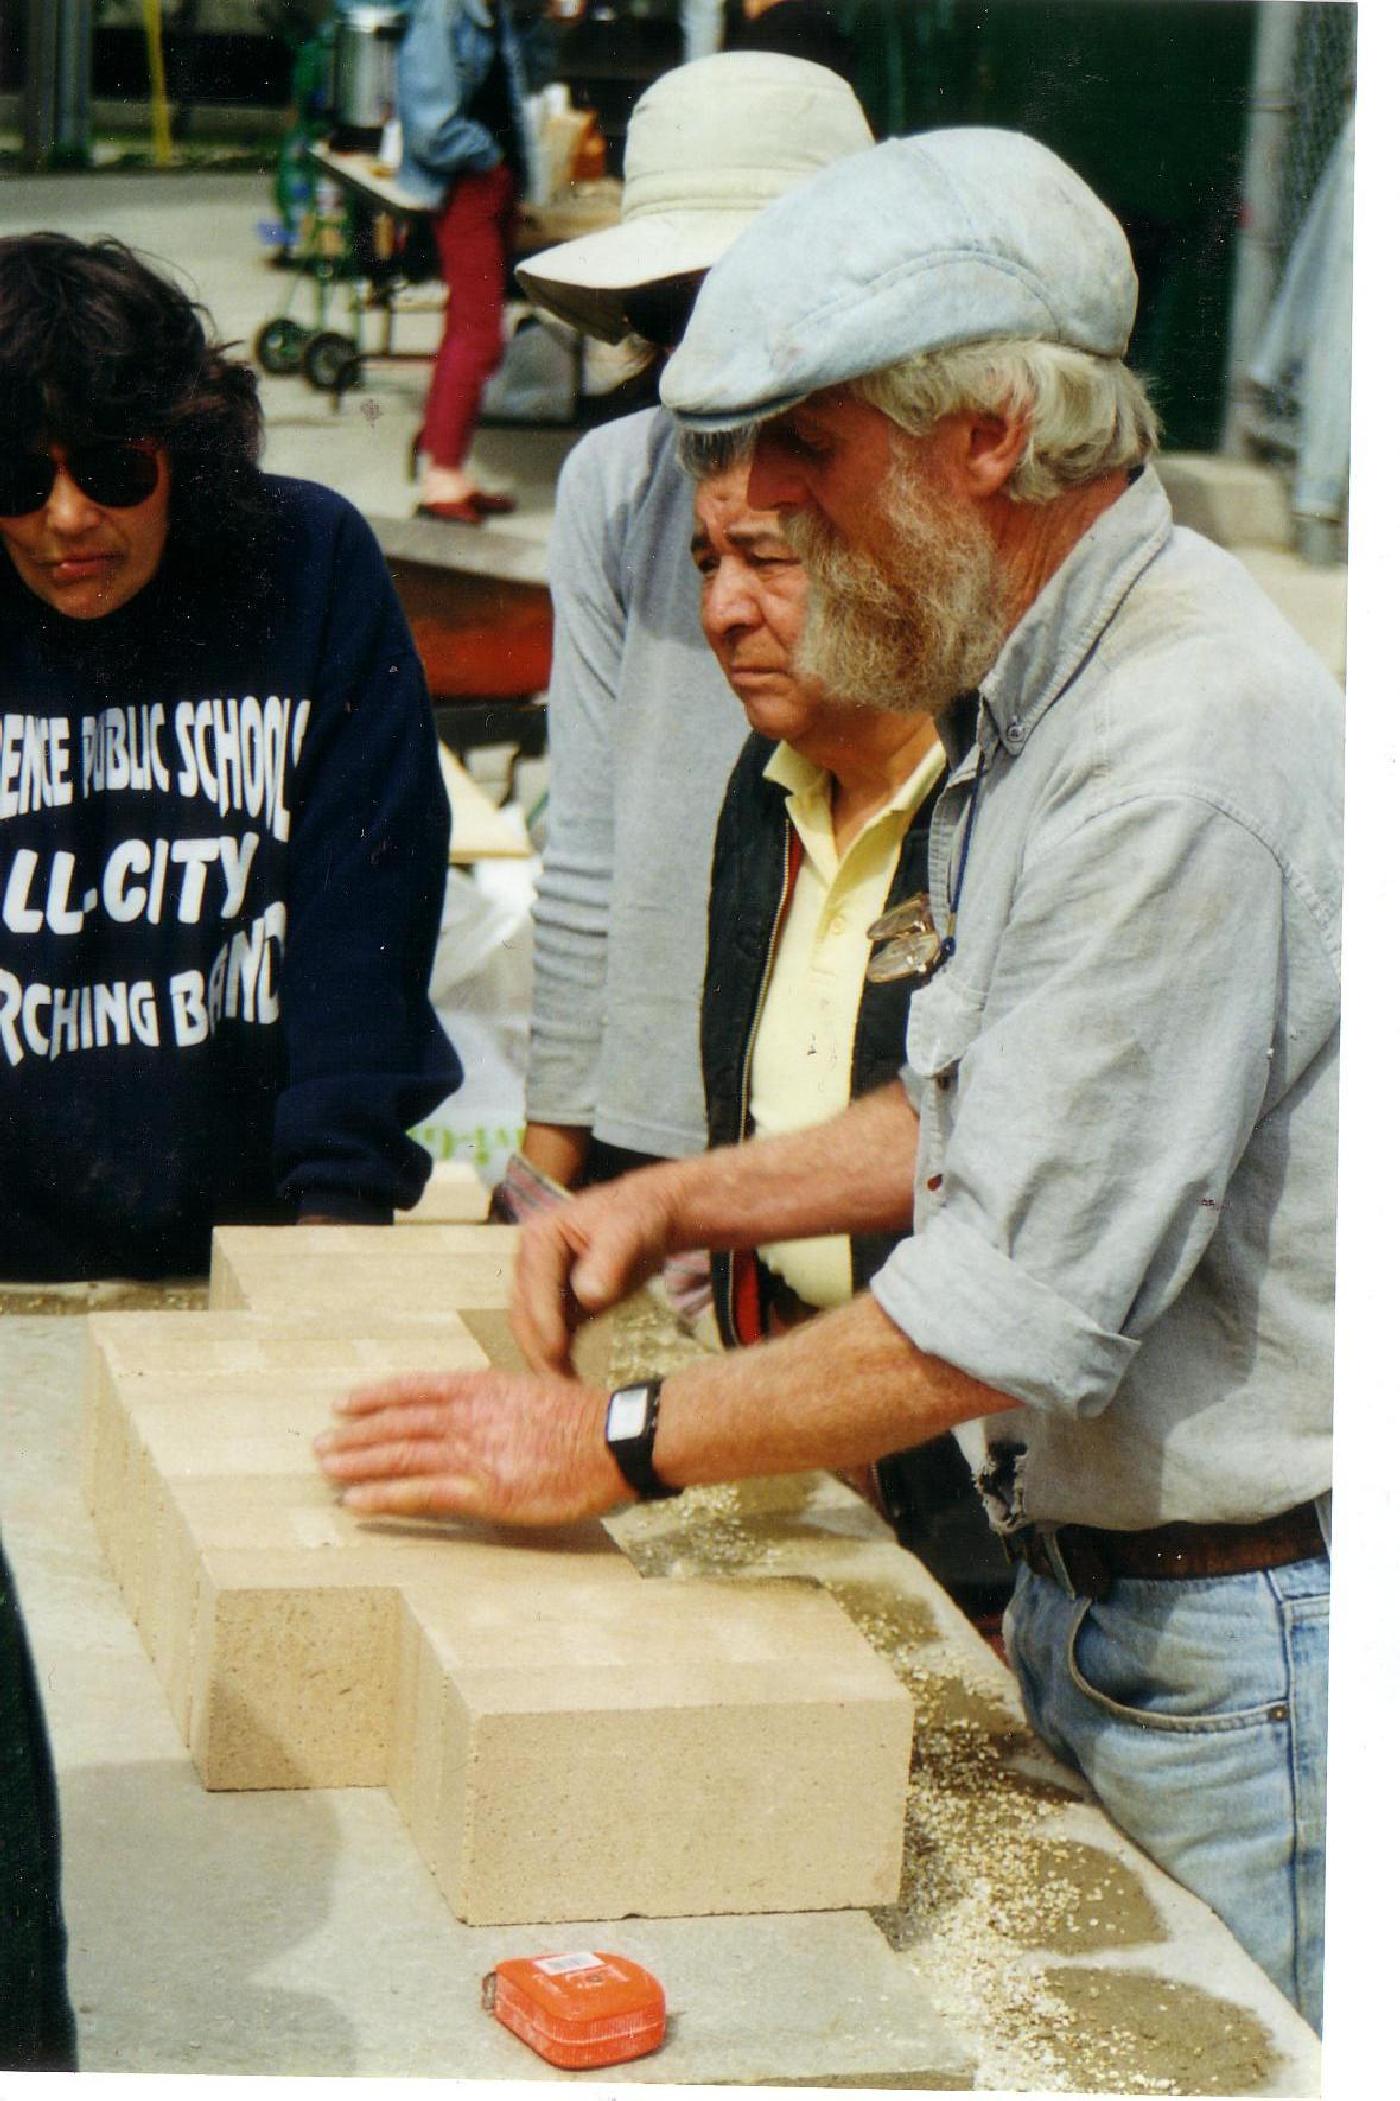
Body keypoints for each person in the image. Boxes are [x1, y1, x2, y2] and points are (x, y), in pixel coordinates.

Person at [316, 130, 1339, 2030]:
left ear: (992, 437)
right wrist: (678, 1198)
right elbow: (978, 1100)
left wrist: (612, 1441)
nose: (770, 504)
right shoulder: (1054, 683)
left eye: (812, 445)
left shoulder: (1175, 747)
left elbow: (998, 1313)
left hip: (1248, 1629)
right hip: (1140, 1600)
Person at [0, 232, 461, 1282]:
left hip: (260, 1237)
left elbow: (367, 916)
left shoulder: (305, 563)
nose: (66, 518)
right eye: (17, 478)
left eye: (114, 468)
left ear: (185, 445)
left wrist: (335, 1232)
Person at [496, 52, 872, 1208]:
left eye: (743, 304)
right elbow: (588, 839)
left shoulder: (919, 502)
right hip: (653, 1116)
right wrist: (547, 1160)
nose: (712, 354)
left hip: (867, 1118)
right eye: (675, 313)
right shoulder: (615, 483)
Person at [693, 456, 1007, 1613]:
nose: (722, 611)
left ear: (889, 564)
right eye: (704, 563)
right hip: (798, 1417)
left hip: (976, 1507)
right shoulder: (766, 779)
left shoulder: (997, 807)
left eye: (765, 560)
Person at [396, 1, 555, 523]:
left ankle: (448, 467)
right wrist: (488, 159)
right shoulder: (443, 12)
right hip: (468, 185)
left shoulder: (495, 11)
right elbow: (429, 127)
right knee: (479, 336)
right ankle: (440, 477)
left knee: (465, 329)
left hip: (493, 184)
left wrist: (541, 17)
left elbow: (532, 80)